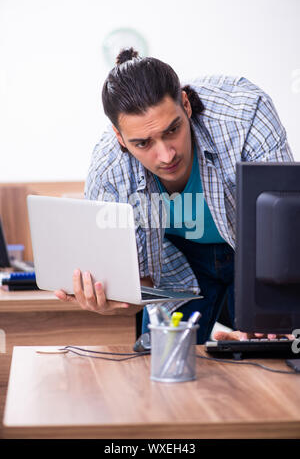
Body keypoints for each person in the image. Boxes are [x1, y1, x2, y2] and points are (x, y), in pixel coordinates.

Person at [55, 48, 294, 343]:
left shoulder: (245, 113)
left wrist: (275, 306)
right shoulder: (109, 170)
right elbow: (136, 279)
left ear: (185, 104)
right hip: (176, 260)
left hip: (251, 251)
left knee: (273, 357)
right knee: (163, 366)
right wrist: (107, 295)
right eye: (143, 143)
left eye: (173, 130)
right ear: (120, 138)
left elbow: (282, 231)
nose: (166, 155)